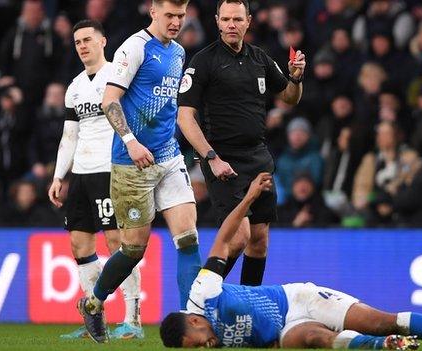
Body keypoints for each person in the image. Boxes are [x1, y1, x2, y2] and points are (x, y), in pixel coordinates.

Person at [158, 173, 422, 350]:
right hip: (284, 330)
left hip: (296, 299)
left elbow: (221, 239)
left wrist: (248, 198)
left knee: (381, 320)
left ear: (196, 323)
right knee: (316, 340)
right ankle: (389, 347)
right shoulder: (208, 338)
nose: (205, 347)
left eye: (197, 344)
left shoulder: (203, 293)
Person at [77, 0, 202, 343]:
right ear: (153, 12)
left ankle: (189, 323)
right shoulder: (133, 48)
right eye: (170, 15)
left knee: (188, 237)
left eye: (181, 15)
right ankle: (92, 302)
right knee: (134, 249)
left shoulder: (178, 52)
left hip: (168, 157)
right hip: (131, 163)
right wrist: (131, 141)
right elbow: (109, 100)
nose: (177, 21)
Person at [177, 0, 306, 286]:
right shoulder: (203, 61)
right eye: (225, 20)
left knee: (259, 241)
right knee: (239, 235)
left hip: (258, 157)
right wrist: (211, 158)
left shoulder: (259, 58)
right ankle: (200, 297)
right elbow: (185, 117)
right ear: (217, 22)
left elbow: (289, 96)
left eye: (237, 19)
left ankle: (251, 307)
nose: (231, 25)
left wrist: (296, 77)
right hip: (222, 158)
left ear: (248, 21)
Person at [46, 20, 143, 339]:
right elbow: (69, 135)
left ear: (103, 41)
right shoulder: (74, 87)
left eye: (88, 39)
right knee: (79, 244)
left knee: (118, 243)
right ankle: (94, 318)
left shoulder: (118, 76)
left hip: (110, 170)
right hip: (82, 175)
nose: (83, 46)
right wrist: (60, 175)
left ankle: (133, 319)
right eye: (77, 42)